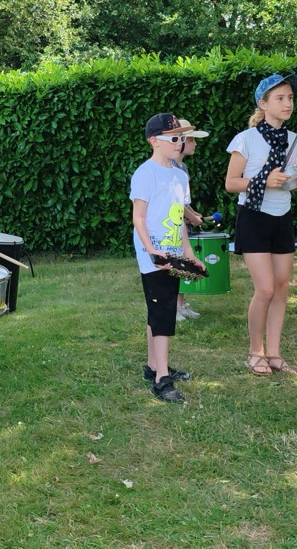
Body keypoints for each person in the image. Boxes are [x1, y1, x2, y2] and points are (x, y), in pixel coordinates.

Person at [225, 73, 297, 376]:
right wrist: (264, 180)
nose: (287, 103)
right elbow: (231, 183)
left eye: (290, 98)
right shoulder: (246, 139)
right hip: (253, 217)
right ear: (263, 104)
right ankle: (255, 352)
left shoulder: (295, 140)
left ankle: (274, 354)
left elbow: (292, 179)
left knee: (281, 287)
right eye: (280, 98)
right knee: (264, 289)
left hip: (282, 217)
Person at [131, 113, 203, 402]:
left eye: (181, 138)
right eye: (173, 138)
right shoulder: (145, 173)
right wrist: (151, 249)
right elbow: (138, 217)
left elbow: (179, 219)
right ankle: (162, 379)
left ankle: (153, 367)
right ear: (154, 141)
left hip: (172, 254)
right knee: (162, 314)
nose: (179, 143)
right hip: (153, 256)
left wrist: (189, 254)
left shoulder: (180, 175)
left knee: (161, 309)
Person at [174, 118, 209, 321]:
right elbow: (174, 203)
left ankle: (180, 305)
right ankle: (172, 307)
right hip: (172, 226)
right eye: (191, 140)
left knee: (182, 264)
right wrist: (192, 217)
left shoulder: (183, 168)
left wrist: (193, 214)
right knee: (174, 264)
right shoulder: (170, 167)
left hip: (182, 222)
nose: (195, 144)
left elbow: (184, 201)